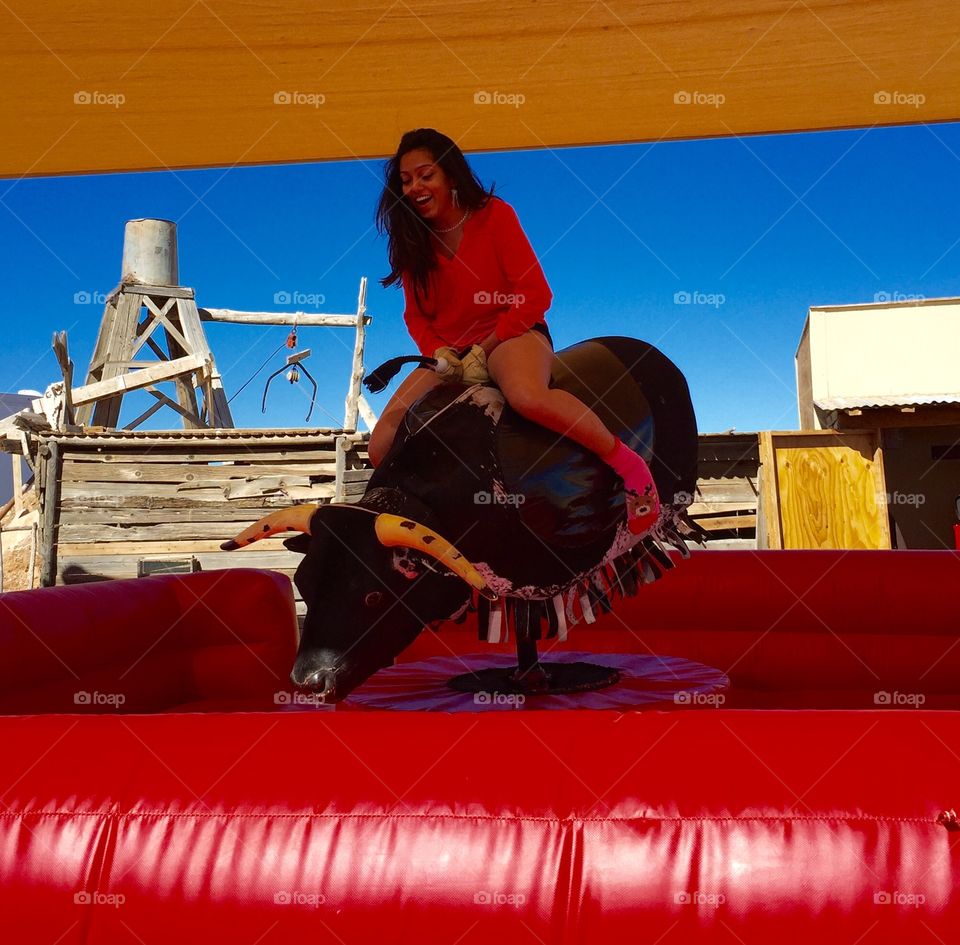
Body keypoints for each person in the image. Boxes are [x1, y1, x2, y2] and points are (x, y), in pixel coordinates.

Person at [369, 127, 660, 534]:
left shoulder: (494, 215)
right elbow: (416, 318)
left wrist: (484, 348)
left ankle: (631, 467)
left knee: (527, 397)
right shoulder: (412, 242)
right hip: (450, 354)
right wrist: (440, 353)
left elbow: (534, 293)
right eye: (406, 180)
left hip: (510, 332)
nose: (415, 186)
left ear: (450, 175)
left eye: (425, 174)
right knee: (380, 441)